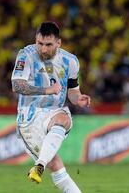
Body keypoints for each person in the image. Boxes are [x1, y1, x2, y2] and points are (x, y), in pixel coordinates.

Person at [11, 21, 90, 193]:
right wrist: (47, 90)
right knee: (55, 164)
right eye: (40, 43)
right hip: (29, 117)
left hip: (54, 111)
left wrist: (79, 99)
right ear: (35, 40)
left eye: (48, 45)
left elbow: (73, 92)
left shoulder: (70, 61)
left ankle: (39, 165)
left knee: (63, 119)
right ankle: (43, 163)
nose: (43, 49)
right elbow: (17, 86)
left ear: (58, 43)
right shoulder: (26, 55)